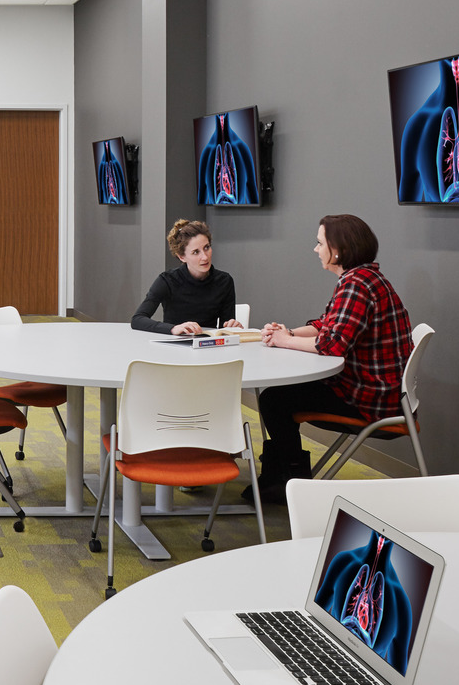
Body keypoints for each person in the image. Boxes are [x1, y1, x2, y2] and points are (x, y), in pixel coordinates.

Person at [253, 214, 413, 504]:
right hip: (384, 393)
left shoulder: (356, 285)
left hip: (368, 400)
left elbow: (333, 344)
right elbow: (326, 323)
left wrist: (284, 341)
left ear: (337, 250)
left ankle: (294, 483)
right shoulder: (365, 277)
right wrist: (287, 332)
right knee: (278, 399)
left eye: (319, 243)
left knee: (273, 401)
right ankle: (286, 478)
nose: (315, 250)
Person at [131, 219, 243, 336]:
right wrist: (173, 328)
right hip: (174, 345)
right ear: (182, 257)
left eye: (206, 247)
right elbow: (138, 319)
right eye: (196, 252)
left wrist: (231, 326)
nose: (204, 257)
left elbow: (223, 330)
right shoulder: (167, 280)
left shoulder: (224, 281)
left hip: (208, 346)